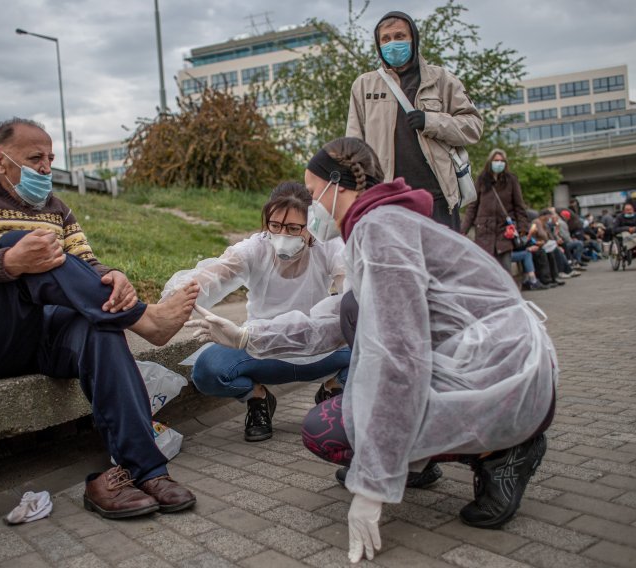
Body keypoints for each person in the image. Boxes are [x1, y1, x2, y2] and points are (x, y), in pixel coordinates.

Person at [186, 137, 556, 563]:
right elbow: (335, 319)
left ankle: (503, 452)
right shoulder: (379, 226)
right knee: (350, 317)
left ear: (335, 187)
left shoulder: (380, 233)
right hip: (499, 371)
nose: (310, 208)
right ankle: (422, 459)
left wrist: (374, 485)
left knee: (326, 427)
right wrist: (246, 337)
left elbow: (401, 361)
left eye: (312, 192)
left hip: (509, 387)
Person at [0, 117, 200, 519]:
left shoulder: (57, 209)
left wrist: (112, 276)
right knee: (21, 244)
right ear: (0, 161)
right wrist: (9, 261)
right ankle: (144, 320)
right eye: (35, 158)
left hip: (35, 339)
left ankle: (145, 470)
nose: (47, 168)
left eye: (51, 158)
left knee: (98, 325)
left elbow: (88, 268)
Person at [162, 182, 350, 442]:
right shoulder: (253, 249)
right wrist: (168, 305)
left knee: (375, 350)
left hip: (318, 350)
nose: (283, 235)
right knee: (207, 371)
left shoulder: (329, 247)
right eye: (275, 226)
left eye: (294, 228)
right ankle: (258, 398)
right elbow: (208, 278)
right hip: (262, 350)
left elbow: (352, 294)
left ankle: (333, 389)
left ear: (311, 227)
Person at [346, 10, 483, 231]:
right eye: (386, 39)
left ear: (414, 39)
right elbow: (353, 145)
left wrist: (432, 121)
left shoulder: (441, 80)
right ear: (378, 45)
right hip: (387, 199)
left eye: (400, 37)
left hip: (437, 198)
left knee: (442, 264)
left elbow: (473, 127)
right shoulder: (363, 86)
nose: (393, 44)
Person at [461, 148, 529, 272]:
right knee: (487, 271)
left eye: (502, 161)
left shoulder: (511, 180)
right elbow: (472, 207)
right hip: (484, 231)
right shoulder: (481, 180)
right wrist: (463, 229)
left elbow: (519, 207)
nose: (499, 163)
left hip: (505, 231)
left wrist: (522, 229)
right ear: (490, 162)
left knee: (505, 270)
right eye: (496, 160)